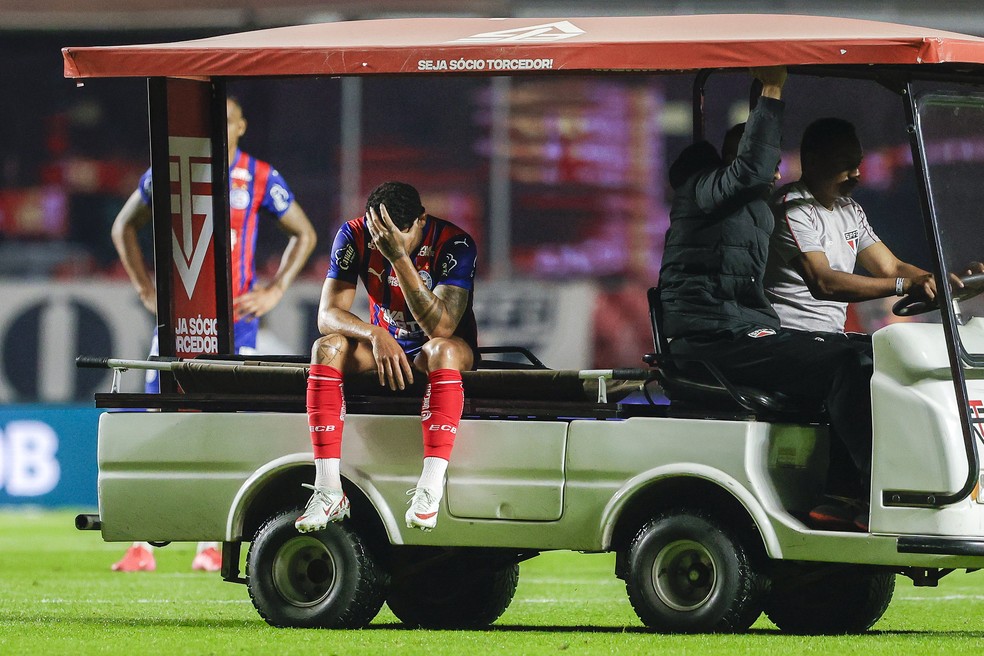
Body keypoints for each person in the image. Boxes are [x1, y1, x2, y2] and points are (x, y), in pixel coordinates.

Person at [659, 66, 874, 531]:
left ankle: (843, 492)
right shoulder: (705, 192)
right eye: (767, 162)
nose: (775, 173)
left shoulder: (743, 203)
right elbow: (752, 168)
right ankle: (860, 487)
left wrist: (761, 98)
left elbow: (753, 169)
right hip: (713, 338)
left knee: (868, 353)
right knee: (847, 362)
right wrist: (773, 91)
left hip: (742, 331)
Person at [109, 96, 318, 571]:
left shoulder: (260, 176)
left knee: (220, 426)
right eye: (212, 123)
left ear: (242, 125)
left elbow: (303, 233)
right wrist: (145, 288)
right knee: (155, 421)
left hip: (234, 324)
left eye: (227, 121)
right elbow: (124, 226)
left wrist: (275, 289)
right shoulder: (170, 172)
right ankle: (143, 542)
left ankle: (211, 542)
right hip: (178, 322)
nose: (219, 131)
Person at [295, 181, 478, 533]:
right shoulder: (354, 234)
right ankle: (328, 489)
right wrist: (374, 333)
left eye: (393, 236)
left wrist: (398, 257)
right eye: (379, 236)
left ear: (420, 221)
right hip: (385, 348)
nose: (382, 241)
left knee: (441, 349)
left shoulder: (455, 243)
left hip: (440, 352)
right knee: (326, 348)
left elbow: (441, 326)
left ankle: (429, 488)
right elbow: (327, 314)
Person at [765, 117, 937, 335]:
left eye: (857, 164)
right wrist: (905, 285)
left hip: (831, 337)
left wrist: (944, 284)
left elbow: (891, 267)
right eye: (845, 164)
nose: (856, 173)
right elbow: (823, 282)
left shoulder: (850, 210)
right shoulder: (791, 208)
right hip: (789, 336)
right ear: (813, 161)